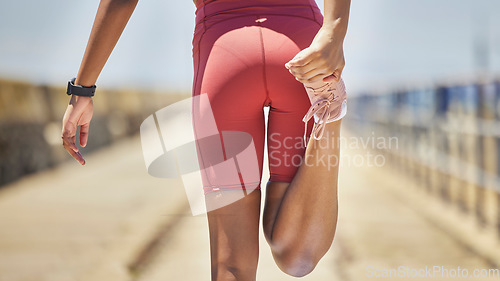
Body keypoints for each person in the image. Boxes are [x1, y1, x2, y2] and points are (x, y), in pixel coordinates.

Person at [61, 0, 350, 279]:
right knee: (297, 256)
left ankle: (329, 109)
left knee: (232, 267)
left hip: (224, 56)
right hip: (302, 54)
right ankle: (330, 107)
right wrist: (334, 31)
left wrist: (82, 91)